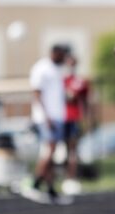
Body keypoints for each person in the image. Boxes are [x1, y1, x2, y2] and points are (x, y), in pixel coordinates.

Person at [23, 43, 72, 205]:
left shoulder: (56, 69)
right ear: (55, 53)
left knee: (52, 153)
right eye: (63, 55)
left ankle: (51, 189)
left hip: (57, 117)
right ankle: (35, 184)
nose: (64, 58)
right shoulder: (41, 68)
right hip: (47, 118)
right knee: (49, 151)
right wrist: (46, 117)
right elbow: (37, 93)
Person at [62, 53, 90, 197]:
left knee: (73, 149)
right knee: (62, 150)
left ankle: (71, 178)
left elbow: (80, 100)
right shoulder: (61, 80)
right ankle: (63, 178)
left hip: (73, 118)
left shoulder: (80, 81)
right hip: (61, 119)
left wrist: (86, 119)